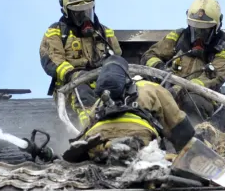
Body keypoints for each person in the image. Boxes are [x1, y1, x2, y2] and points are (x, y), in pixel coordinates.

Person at [63, 56, 195, 162]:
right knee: (142, 155)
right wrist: (191, 151)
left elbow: (84, 131)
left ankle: (108, 151)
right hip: (138, 139)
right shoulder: (150, 87)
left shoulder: (99, 103)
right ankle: (124, 150)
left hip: (98, 140)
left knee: (100, 154)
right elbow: (178, 124)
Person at [40, 0, 122, 129]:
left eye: (88, 10)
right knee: (82, 88)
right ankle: (89, 128)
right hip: (71, 90)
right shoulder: (56, 32)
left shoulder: (105, 32)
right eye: (79, 14)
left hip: (101, 85)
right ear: (66, 11)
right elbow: (53, 59)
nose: (85, 18)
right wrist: (74, 75)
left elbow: (117, 59)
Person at [141, 0, 225, 123]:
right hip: (167, 89)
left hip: (201, 99)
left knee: (191, 102)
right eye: (196, 30)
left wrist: (180, 88)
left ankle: (192, 139)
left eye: (204, 31)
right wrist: (160, 69)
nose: (198, 37)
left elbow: (210, 80)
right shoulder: (177, 37)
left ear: (216, 28)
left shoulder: (223, 50)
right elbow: (149, 55)